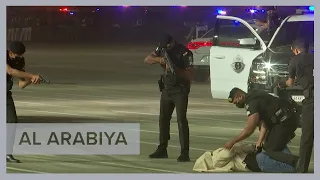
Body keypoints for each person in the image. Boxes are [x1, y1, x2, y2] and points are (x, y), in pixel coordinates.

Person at [224, 87, 300, 172]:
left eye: (236, 102)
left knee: (270, 149)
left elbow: (250, 129)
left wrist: (233, 141)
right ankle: (291, 162)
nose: (236, 104)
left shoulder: (251, 102)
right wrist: (259, 142)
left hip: (285, 121)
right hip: (285, 118)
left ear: (240, 96)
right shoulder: (255, 94)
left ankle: (294, 164)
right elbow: (264, 123)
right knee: (269, 144)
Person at [144, 34, 194, 162]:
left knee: (181, 120)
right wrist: (161, 60)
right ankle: (162, 149)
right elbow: (147, 59)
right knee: (163, 119)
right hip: (167, 89)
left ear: (172, 43)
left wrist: (176, 70)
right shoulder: (161, 49)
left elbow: (190, 75)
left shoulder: (184, 53)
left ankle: (184, 152)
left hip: (180, 90)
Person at [279, 39, 314, 173]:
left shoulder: (295, 60)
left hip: (311, 101)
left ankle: (302, 170)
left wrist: (281, 83)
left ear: (296, 50)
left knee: (307, 137)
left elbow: (290, 82)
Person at [6, 41, 42, 163]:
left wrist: (31, 80)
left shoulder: (20, 61)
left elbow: (21, 84)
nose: (20, 58)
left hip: (5, 94)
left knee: (12, 122)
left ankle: (7, 154)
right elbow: (10, 71)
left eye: (21, 55)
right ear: (10, 53)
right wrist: (31, 75)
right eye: (18, 55)